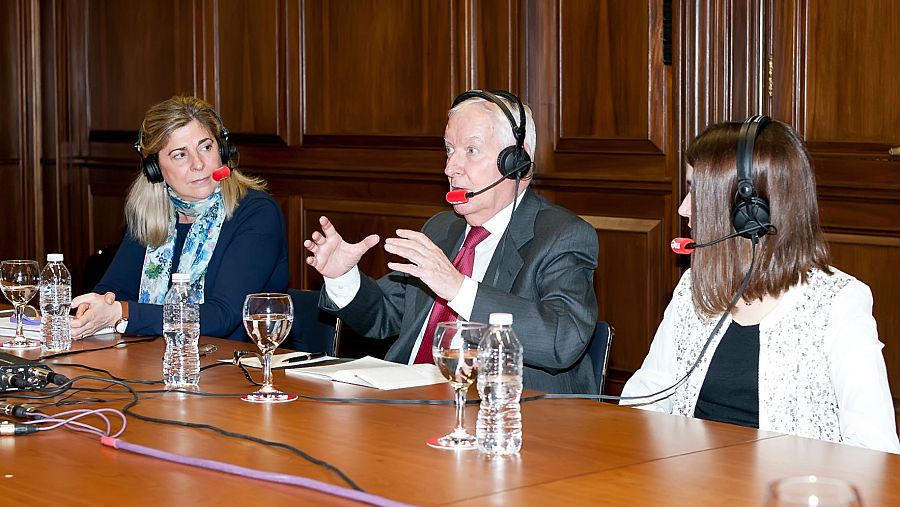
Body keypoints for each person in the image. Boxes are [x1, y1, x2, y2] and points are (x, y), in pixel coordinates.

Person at [620, 118, 900, 453]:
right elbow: (647, 394)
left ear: (749, 211)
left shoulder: (838, 303)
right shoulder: (694, 286)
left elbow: (875, 448)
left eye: (695, 191)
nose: (683, 209)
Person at [303, 90, 599, 394]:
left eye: (471, 150)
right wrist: (342, 277)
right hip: (403, 402)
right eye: (449, 149)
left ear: (516, 163)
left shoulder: (562, 236)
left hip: (504, 410)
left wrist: (459, 289)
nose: (450, 168)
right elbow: (383, 315)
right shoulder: (441, 229)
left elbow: (563, 340)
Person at [70, 95, 289, 340]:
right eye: (180, 155)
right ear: (154, 168)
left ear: (223, 151)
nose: (199, 164)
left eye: (206, 147)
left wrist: (123, 312)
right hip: (157, 357)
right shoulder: (152, 213)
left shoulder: (256, 213)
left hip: (235, 360)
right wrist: (96, 307)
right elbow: (113, 291)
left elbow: (221, 316)